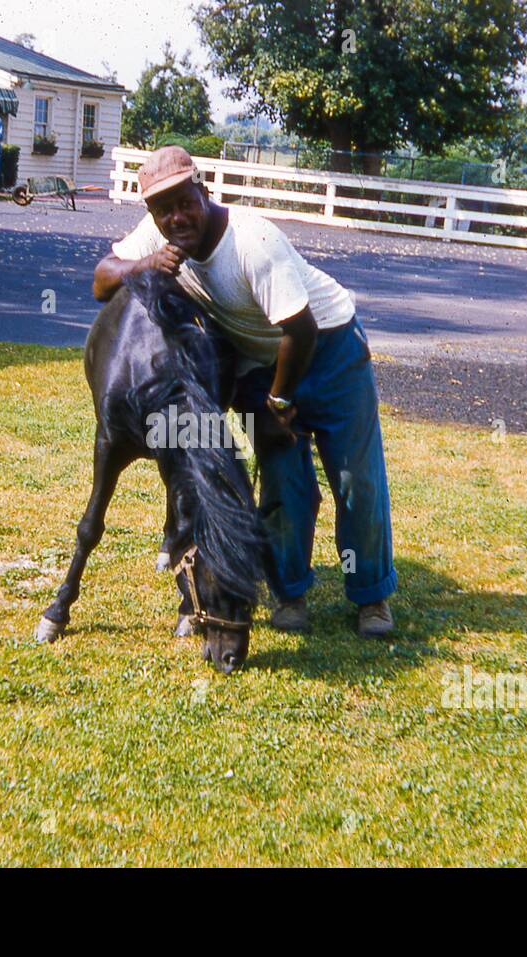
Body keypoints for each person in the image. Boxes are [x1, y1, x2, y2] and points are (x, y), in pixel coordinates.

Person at [92, 146, 397, 637]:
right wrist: (144, 264)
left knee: (355, 480)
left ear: (203, 190)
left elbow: (301, 330)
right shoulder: (161, 232)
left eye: (183, 201)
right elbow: (101, 281)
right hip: (263, 361)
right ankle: (289, 592)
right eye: (162, 209)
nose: (176, 217)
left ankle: (371, 595)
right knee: (282, 478)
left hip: (330, 347)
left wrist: (278, 403)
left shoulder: (251, 241)